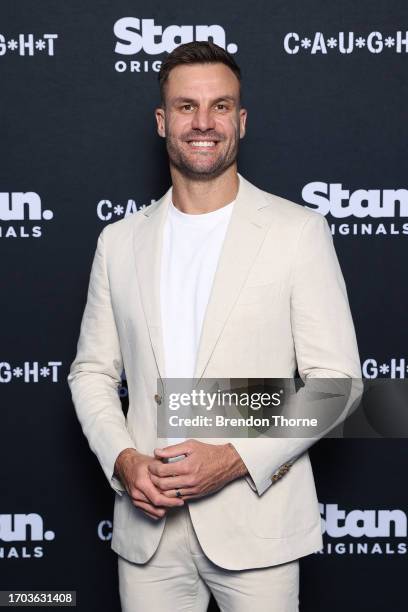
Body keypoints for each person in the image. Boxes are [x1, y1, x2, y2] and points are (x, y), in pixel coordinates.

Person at [68, 41, 361, 611]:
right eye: (186, 107)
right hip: (147, 530)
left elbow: (337, 382)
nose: (203, 123)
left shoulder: (296, 231)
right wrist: (125, 462)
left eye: (220, 106)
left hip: (258, 524)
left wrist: (233, 460)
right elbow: (91, 372)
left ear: (241, 121)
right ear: (162, 120)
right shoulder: (119, 241)